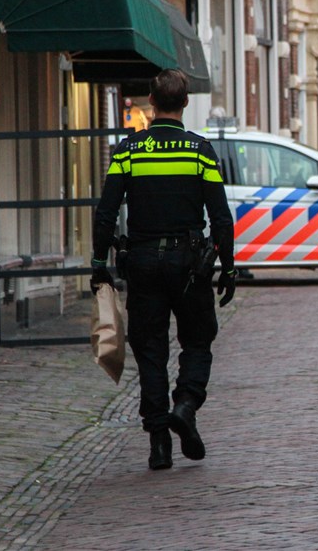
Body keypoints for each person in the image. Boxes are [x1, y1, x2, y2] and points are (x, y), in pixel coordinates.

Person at [91, 69, 237, 471]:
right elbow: (220, 217)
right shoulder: (199, 151)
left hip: (141, 264)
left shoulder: (129, 150)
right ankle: (186, 405)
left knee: (151, 351)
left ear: (151, 103)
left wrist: (99, 262)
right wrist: (229, 267)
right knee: (198, 340)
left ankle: (158, 443)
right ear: (185, 103)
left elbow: (106, 213)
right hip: (189, 265)